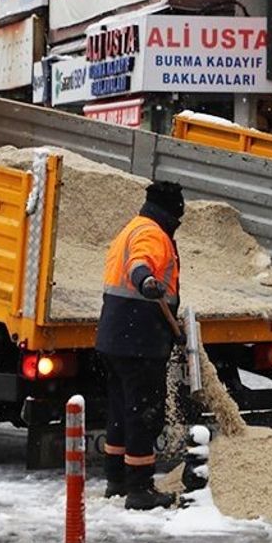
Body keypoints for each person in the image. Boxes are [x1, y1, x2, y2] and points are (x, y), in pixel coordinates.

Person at [96, 180, 186, 510]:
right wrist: (145, 280)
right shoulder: (151, 234)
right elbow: (139, 264)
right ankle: (139, 489)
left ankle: (116, 480)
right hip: (139, 340)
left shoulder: (131, 227)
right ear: (171, 210)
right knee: (143, 414)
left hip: (115, 337)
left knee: (121, 411)